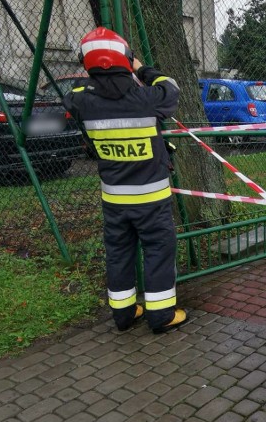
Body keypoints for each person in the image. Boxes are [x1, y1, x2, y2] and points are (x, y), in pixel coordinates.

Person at [64, 27, 187, 334]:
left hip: (114, 201)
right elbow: (170, 87)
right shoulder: (147, 98)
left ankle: (124, 314)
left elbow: (74, 94)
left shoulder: (83, 101)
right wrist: (140, 68)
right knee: (159, 252)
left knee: (119, 254)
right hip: (152, 201)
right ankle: (161, 316)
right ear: (127, 59)